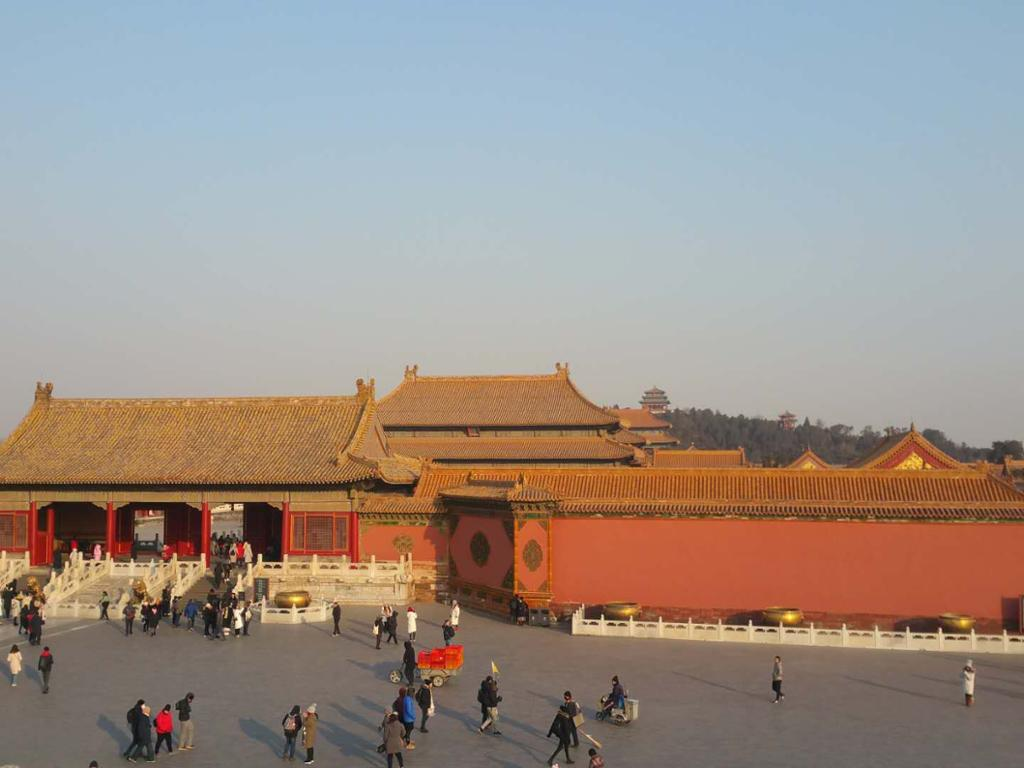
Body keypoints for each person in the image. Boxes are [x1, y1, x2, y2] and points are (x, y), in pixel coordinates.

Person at [546, 702, 573, 766]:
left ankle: (568, 759)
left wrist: (549, 734)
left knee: (565, 746)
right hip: (561, 733)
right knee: (560, 747)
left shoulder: (559, 715)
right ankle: (550, 760)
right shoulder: (564, 717)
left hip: (558, 731)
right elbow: (566, 728)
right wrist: (568, 737)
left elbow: (553, 725)